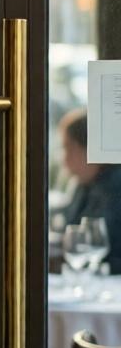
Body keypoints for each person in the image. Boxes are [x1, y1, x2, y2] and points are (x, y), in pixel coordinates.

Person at [56, 108, 121, 270]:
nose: (64, 160)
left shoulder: (115, 187)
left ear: (90, 149)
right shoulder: (82, 185)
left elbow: (101, 248)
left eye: (68, 148)